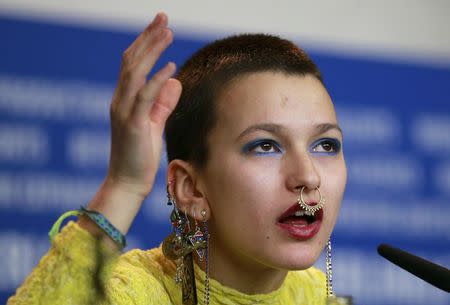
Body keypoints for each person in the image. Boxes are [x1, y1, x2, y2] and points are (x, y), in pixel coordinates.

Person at [7, 12, 347, 305]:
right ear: (190, 189)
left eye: (326, 145)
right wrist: (123, 186)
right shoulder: (139, 293)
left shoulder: (317, 295)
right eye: (265, 146)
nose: (309, 176)